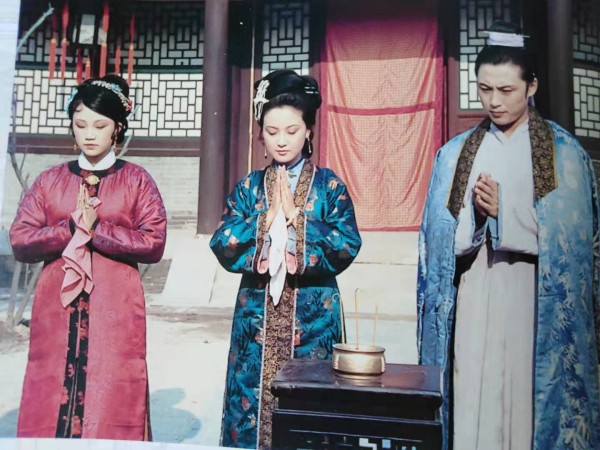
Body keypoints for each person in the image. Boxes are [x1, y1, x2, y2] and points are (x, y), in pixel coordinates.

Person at [417, 22, 600, 450]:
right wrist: (477, 219)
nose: (494, 101)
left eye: (506, 90)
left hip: (533, 299)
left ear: (531, 86)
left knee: (524, 397)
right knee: (474, 388)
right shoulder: (455, 153)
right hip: (476, 290)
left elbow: (576, 240)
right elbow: (434, 239)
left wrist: (508, 213)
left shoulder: (564, 154)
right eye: (485, 89)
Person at [210, 69, 362, 449]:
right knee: (251, 404)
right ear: (261, 134)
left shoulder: (329, 186)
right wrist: (265, 221)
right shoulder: (248, 188)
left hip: (313, 317)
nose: (281, 141)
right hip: (256, 317)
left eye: (292, 131)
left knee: (312, 406)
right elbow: (222, 241)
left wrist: (298, 220)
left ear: (308, 131)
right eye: (272, 131)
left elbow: (347, 242)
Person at [10, 74, 167, 440]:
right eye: (80, 125)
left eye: (100, 125)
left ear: (118, 129)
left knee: (112, 389)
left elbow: (154, 242)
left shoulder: (136, 180)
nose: (89, 134)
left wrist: (97, 230)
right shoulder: (50, 180)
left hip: (116, 306)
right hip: (55, 307)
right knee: (50, 387)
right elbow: (20, 239)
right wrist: (69, 228)